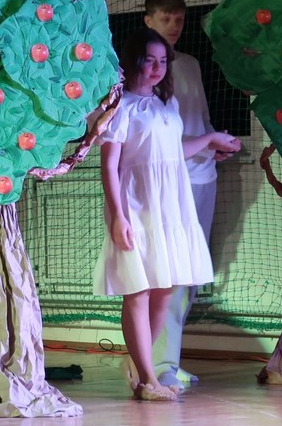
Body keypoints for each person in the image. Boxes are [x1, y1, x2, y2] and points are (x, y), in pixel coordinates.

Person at [95, 28, 240, 401]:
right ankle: (148, 379)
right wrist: (119, 216)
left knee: (165, 288)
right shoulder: (121, 107)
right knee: (139, 290)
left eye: (163, 61)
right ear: (134, 61)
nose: (157, 68)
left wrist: (210, 141)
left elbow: (174, 150)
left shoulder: (167, 104)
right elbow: (109, 166)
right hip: (136, 204)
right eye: (150, 60)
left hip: (170, 206)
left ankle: (140, 365)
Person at [143, 0, 230, 387]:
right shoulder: (144, 73)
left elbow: (201, 119)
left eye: (178, 19)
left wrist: (215, 145)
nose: (174, 25)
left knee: (191, 273)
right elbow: (156, 138)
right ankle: (156, 365)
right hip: (169, 181)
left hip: (203, 176)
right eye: (166, 18)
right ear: (148, 21)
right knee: (169, 274)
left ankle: (168, 359)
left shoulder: (191, 65)